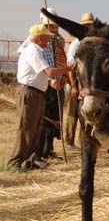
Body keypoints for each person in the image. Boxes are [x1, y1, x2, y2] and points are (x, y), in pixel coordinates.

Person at [7, 24, 72, 171]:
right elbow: (49, 72)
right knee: (26, 128)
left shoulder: (38, 50)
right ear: (38, 38)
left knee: (36, 128)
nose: (49, 39)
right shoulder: (33, 50)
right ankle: (15, 162)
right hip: (29, 93)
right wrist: (67, 69)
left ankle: (30, 160)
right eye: (46, 36)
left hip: (36, 93)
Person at [37, 8, 68, 159]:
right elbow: (41, 64)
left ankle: (49, 149)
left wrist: (63, 78)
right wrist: (50, 81)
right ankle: (40, 151)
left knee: (55, 118)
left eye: (56, 26)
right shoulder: (39, 41)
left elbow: (61, 60)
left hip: (59, 84)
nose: (55, 30)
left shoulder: (60, 41)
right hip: (45, 85)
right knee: (44, 118)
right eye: (51, 27)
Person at [64, 12, 94, 150]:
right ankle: (69, 141)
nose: (88, 27)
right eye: (86, 25)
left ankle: (84, 141)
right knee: (72, 113)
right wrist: (74, 86)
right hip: (76, 82)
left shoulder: (94, 42)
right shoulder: (76, 43)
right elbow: (71, 67)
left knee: (85, 113)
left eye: (90, 25)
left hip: (88, 83)